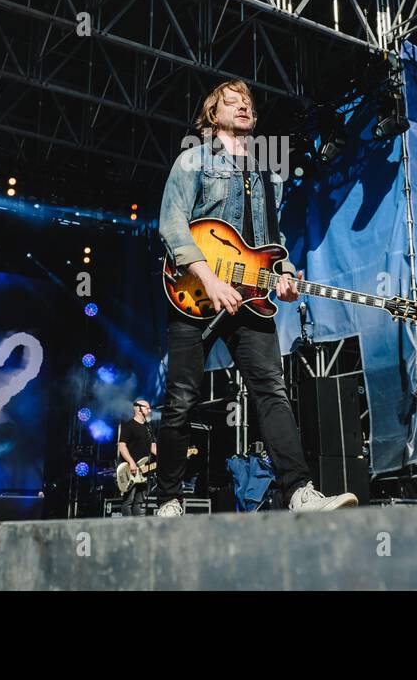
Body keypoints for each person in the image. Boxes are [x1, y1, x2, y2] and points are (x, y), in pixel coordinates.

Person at [156, 79, 358, 516]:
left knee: (272, 390)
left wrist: (283, 276)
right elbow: (172, 225)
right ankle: (168, 498)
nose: (243, 106)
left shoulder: (268, 172)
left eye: (247, 102)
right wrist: (208, 280)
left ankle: (300, 492)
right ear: (214, 113)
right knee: (181, 398)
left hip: (249, 297)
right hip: (194, 292)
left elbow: (271, 240)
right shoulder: (193, 161)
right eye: (232, 101)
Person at [117, 399, 157, 517]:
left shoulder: (148, 428)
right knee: (128, 502)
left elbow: (153, 447)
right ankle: (128, 528)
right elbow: (121, 445)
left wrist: (167, 457)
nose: (150, 410)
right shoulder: (129, 426)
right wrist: (131, 462)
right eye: (147, 408)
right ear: (139, 409)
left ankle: (138, 529)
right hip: (130, 470)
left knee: (140, 502)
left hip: (144, 471)